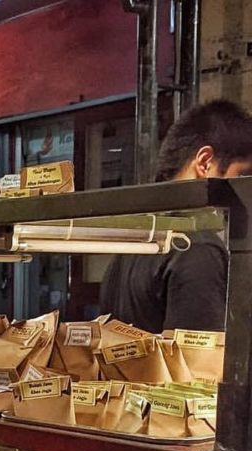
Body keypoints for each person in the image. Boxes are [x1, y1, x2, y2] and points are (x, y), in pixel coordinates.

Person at [101, 100, 252, 333]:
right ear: (205, 162)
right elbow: (201, 365)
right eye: (241, 175)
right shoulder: (196, 245)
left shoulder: (134, 242)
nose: (243, 190)